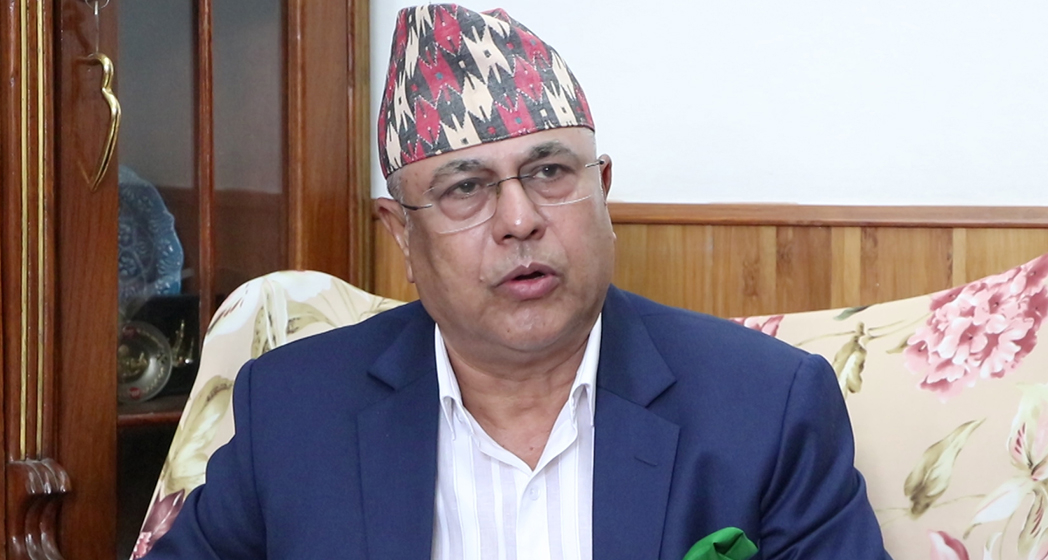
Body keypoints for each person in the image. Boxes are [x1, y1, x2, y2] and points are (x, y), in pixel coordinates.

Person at [146, 4, 890, 559]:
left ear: (602, 193)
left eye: (550, 172)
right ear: (402, 233)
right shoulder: (295, 410)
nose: (520, 220)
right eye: (465, 188)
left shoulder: (767, 406)